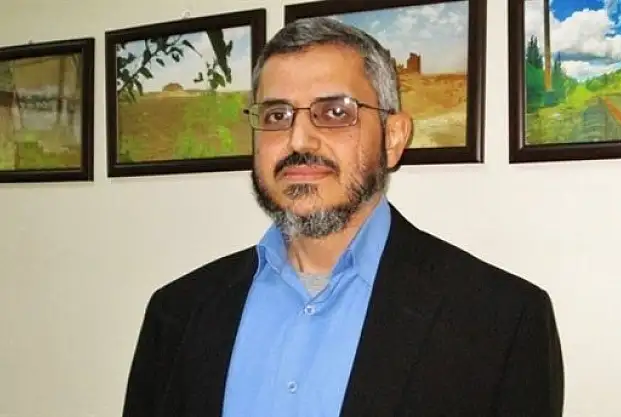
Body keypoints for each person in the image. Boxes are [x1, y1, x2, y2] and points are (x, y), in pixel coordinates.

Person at [121, 17, 564, 417]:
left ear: (393, 137)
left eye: (335, 112)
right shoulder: (177, 312)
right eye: (276, 115)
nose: (298, 139)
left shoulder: (502, 322)